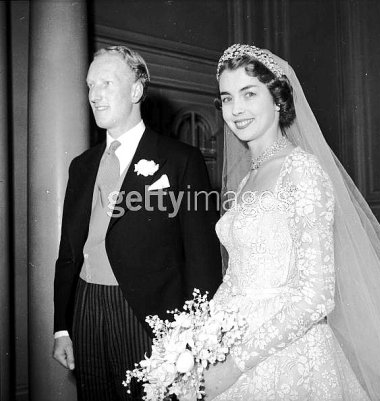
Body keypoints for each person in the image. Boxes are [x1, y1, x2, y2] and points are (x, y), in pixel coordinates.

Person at [203, 44, 380, 400]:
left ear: (278, 98)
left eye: (249, 94)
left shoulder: (302, 171)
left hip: (286, 354)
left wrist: (236, 365)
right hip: (235, 339)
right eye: (227, 98)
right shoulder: (248, 178)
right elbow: (235, 278)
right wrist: (199, 339)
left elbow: (317, 297)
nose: (236, 109)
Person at [52, 45, 222, 401]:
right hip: (86, 309)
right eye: (89, 85)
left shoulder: (180, 160)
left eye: (106, 84)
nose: (94, 95)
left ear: (135, 91)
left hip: (149, 318)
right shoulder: (81, 166)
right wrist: (62, 328)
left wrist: (192, 336)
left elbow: (203, 261)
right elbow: (68, 253)